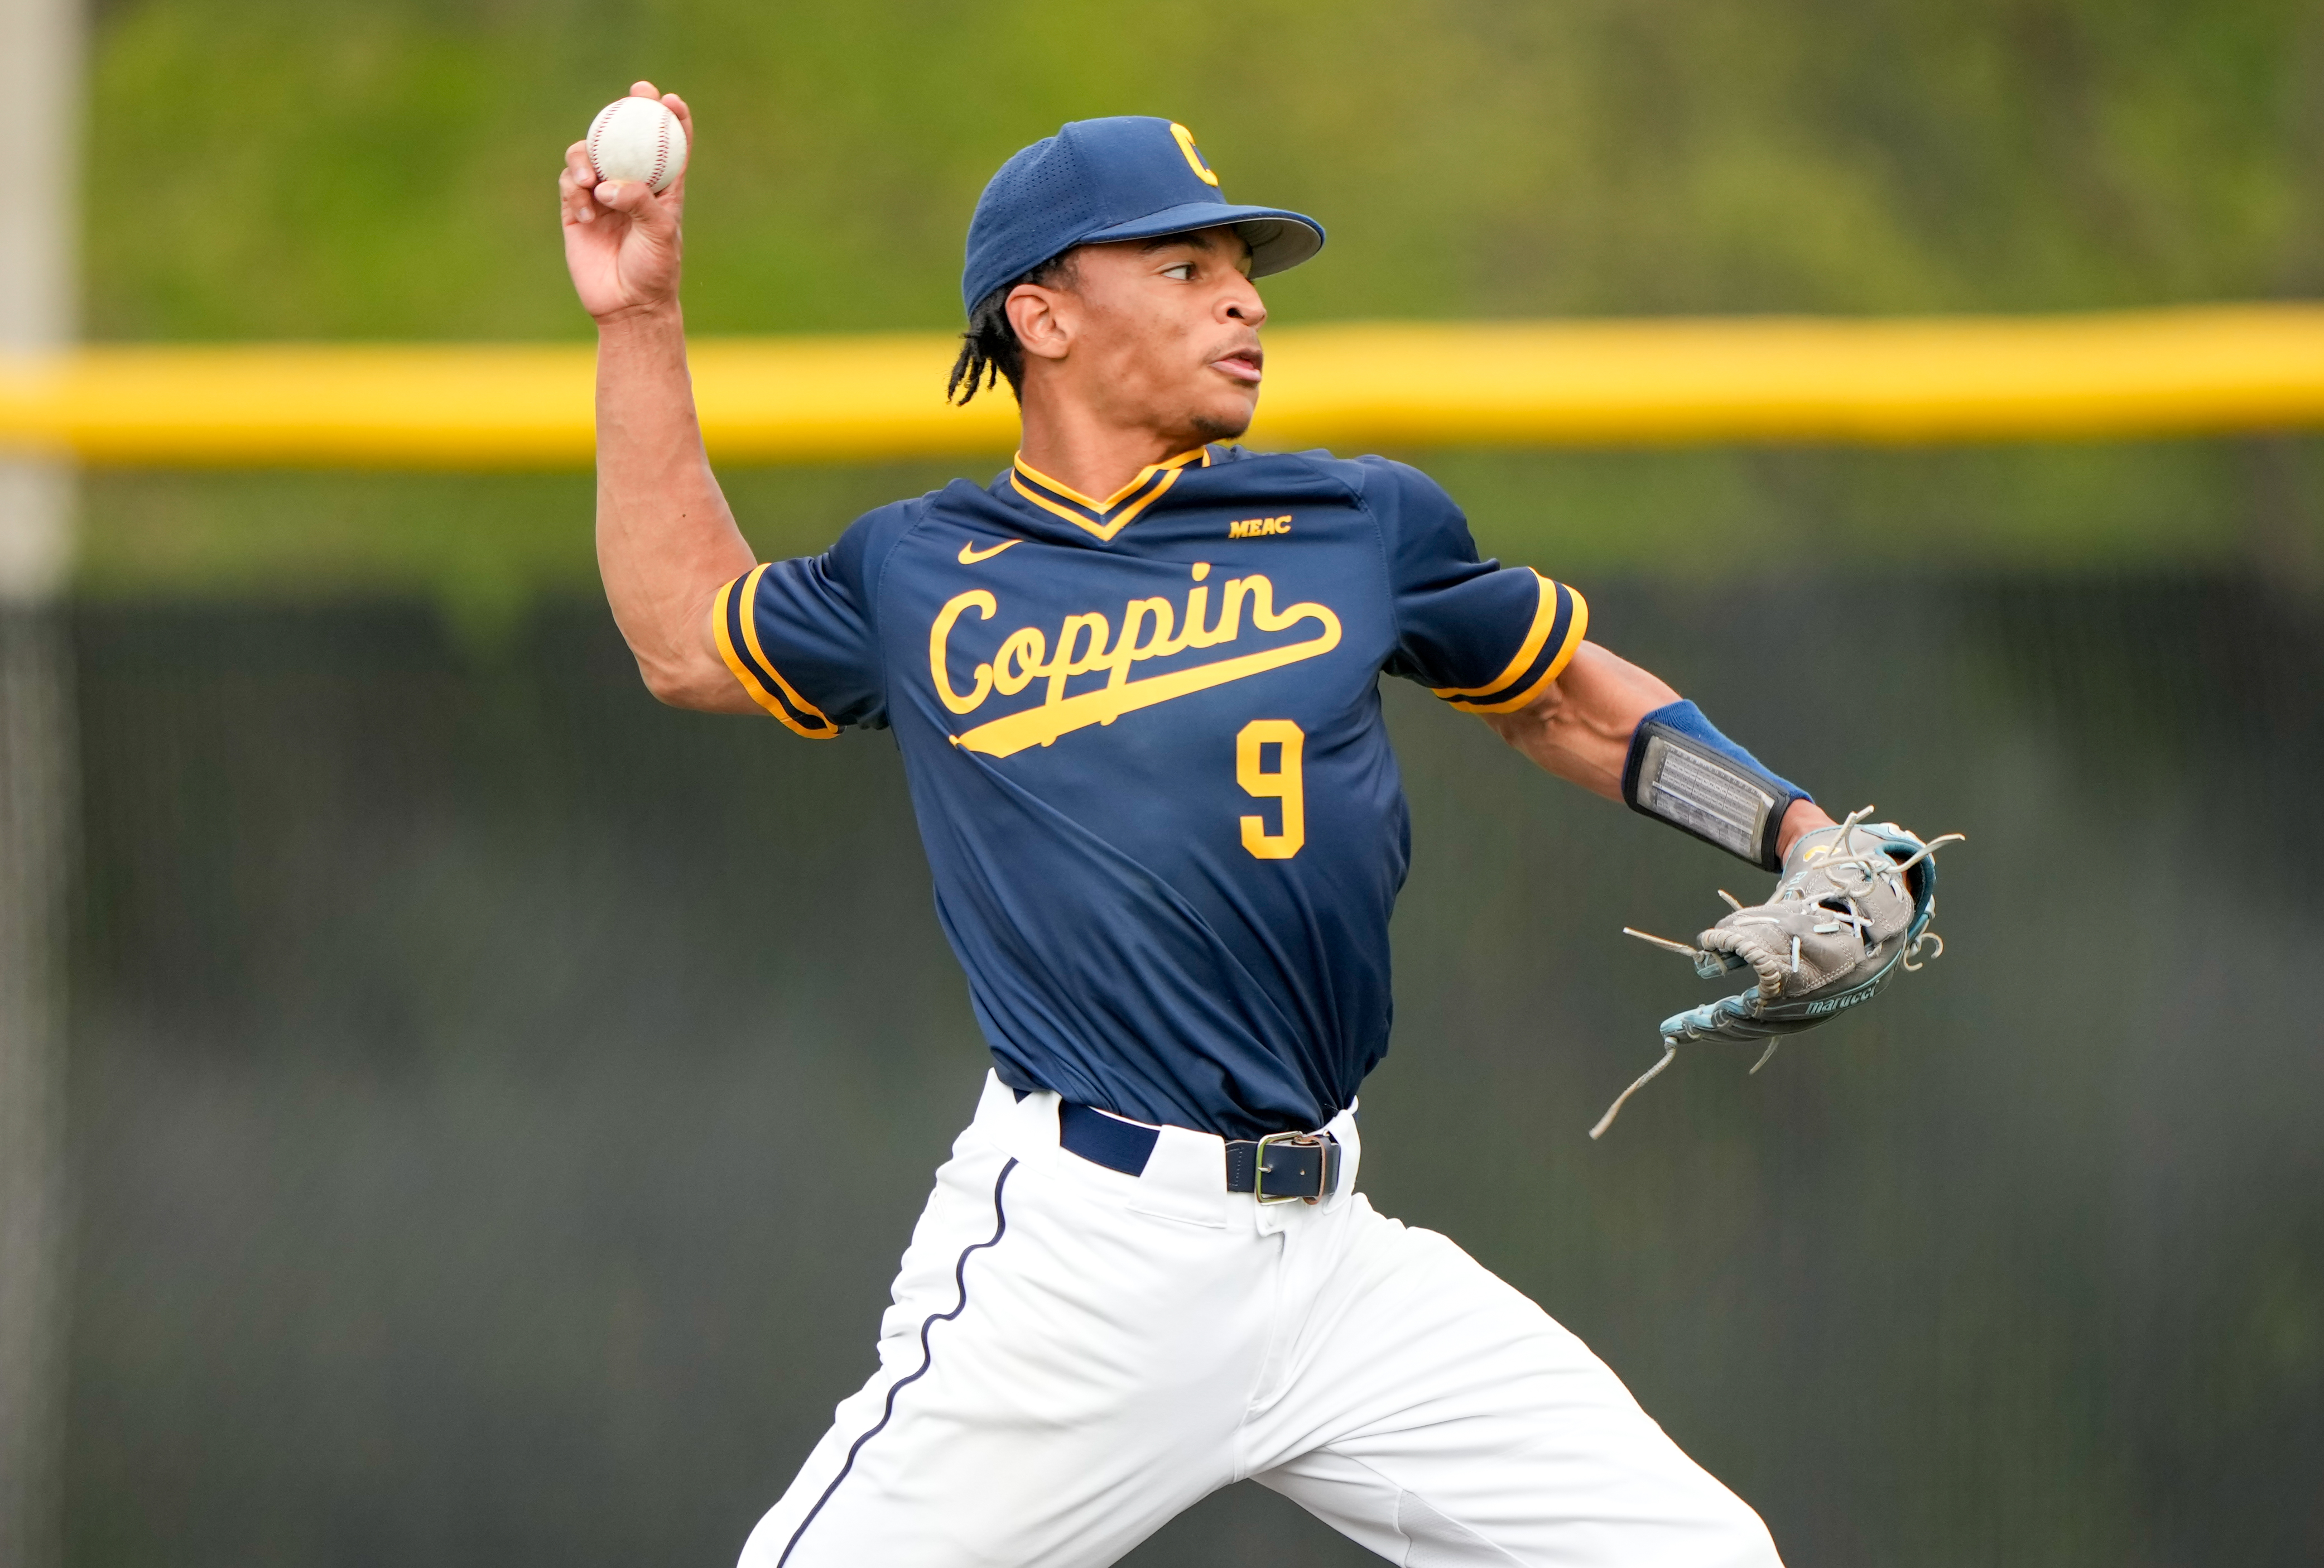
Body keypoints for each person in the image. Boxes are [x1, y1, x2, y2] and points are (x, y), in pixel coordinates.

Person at [561, 85, 1813, 1567]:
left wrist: (1787, 833)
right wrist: (638, 322)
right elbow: (686, 643)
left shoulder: (1355, 525)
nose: (1240, 302)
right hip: (1088, 1259)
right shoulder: (925, 571)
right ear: (1042, 317)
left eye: (1242, 272)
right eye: (1182, 268)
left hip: (1333, 1262)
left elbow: (1568, 705)